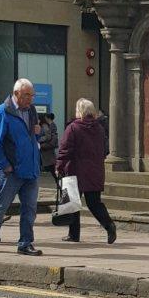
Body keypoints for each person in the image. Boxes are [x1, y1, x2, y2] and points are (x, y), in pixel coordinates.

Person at [0, 78, 43, 254]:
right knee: (1, 206)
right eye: (27, 95)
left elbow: (31, 138)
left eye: (32, 95)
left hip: (30, 169)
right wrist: (5, 166)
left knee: (30, 209)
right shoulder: (2, 112)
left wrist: (38, 134)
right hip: (12, 171)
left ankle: (25, 243)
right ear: (16, 93)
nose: (30, 99)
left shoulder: (31, 111)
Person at [56, 98, 117, 245]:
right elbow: (104, 150)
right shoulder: (99, 128)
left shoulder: (73, 128)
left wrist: (59, 167)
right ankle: (109, 225)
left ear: (80, 111)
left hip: (75, 170)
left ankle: (74, 234)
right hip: (95, 171)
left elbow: (64, 150)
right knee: (94, 203)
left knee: (72, 203)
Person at [35, 107, 60, 197]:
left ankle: (61, 187)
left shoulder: (44, 126)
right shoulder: (40, 126)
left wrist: (38, 140)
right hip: (43, 154)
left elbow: (48, 137)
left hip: (47, 154)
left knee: (53, 171)